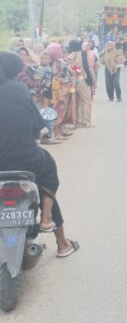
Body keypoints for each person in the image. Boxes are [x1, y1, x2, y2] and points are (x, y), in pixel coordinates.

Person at [0, 51, 79, 258]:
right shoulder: (20, 90)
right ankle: (54, 231)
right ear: (15, 72)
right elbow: (39, 128)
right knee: (47, 179)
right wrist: (42, 131)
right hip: (24, 160)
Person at [67, 40, 95, 128]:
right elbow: (90, 67)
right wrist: (93, 79)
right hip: (82, 78)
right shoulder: (84, 54)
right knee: (86, 100)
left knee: (76, 101)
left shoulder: (69, 56)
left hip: (72, 80)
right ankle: (86, 121)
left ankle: (76, 119)